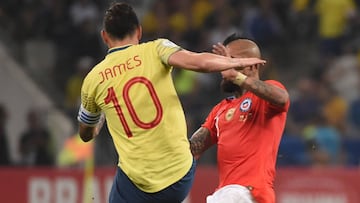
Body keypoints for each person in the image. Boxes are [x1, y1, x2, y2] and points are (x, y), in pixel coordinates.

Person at [76, 2, 265, 203]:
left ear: (105, 36)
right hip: (180, 174)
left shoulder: (93, 80)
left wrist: (98, 123)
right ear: (139, 31)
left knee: (126, 178)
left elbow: (86, 134)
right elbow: (198, 62)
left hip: (138, 182)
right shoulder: (156, 48)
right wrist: (234, 63)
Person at [189, 34, 290, 203]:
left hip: (248, 192)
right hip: (228, 193)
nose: (222, 68)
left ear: (251, 66)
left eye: (230, 61)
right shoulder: (220, 110)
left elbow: (282, 98)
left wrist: (237, 76)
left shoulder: (266, 94)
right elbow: (192, 149)